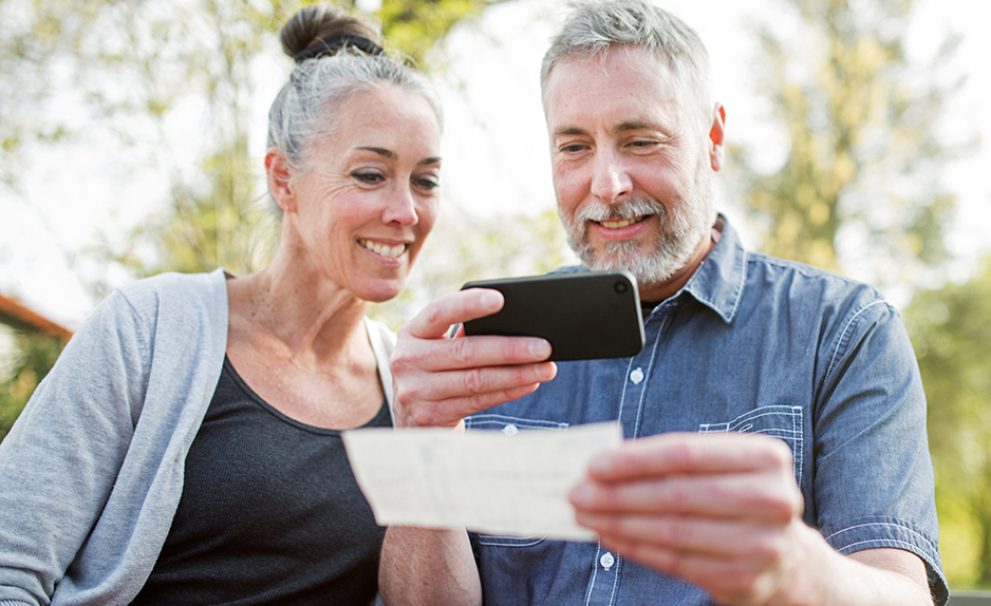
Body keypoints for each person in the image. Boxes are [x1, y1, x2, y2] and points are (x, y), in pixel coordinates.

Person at [378, 1, 948, 605]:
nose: (608, 185)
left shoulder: (842, 333)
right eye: (574, 148)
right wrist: (424, 443)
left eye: (641, 140)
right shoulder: (483, 348)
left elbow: (901, 595)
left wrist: (797, 567)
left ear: (713, 141)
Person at [0, 5, 442, 605]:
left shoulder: (412, 388)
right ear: (283, 179)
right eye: (370, 175)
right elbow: (9, 564)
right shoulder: (148, 330)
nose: (405, 212)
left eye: (425, 180)